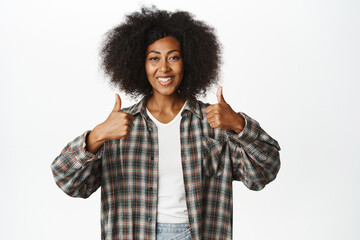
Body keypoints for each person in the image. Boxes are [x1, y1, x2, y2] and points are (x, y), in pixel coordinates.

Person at [51, 6, 281, 240]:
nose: (164, 67)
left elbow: (263, 173)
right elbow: (68, 181)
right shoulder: (119, 127)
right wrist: (97, 135)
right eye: (154, 58)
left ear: (188, 62)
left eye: (173, 57)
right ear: (140, 65)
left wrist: (238, 124)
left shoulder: (213, 122)